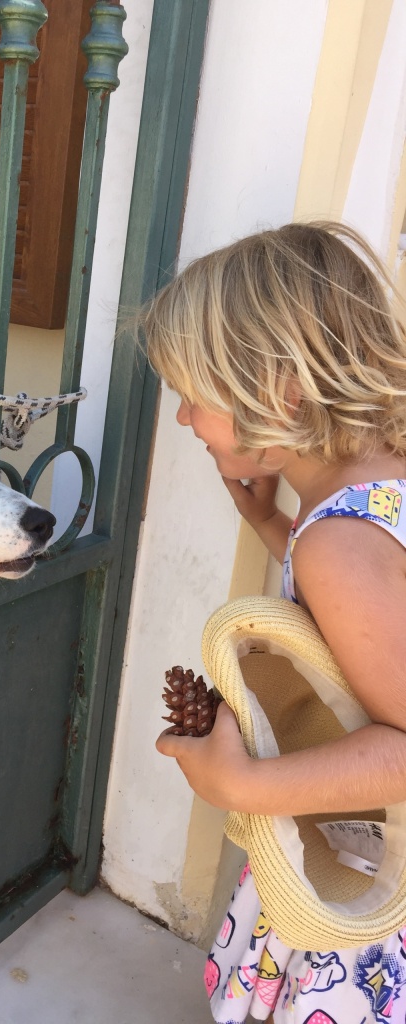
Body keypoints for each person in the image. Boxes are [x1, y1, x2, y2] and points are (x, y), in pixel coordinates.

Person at [143, 221, 406, 1024]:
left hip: (371, 881)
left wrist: (243, 786)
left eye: (194, 396)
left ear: (279, 393)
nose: (184, 419)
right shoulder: (375, 490)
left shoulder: (338, 547)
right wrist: (274, 528)